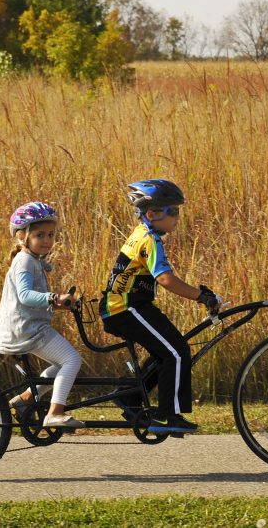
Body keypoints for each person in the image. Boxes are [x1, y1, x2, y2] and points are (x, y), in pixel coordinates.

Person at [100, 179, 223, 434]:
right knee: (176, 352)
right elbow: (165, 279)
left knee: (167, 352)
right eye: (173, 211)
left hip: (130, 306)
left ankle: (129, 396)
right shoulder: (149, 240)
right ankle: (169, 416)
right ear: (151, 214)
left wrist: (200, 295)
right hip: (124, 308)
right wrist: (201, 296)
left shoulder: (144, 234)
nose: (178, 217)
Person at [0, 201, 85, 428]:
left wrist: (61, 304)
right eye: (39, 235)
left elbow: (30, 300)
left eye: (50, 234)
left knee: (61, 364)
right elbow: (26, 295)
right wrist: (53, 298)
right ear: (22, 237)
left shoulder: (32, 260)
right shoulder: (25, 261)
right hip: (27, 329)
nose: (46, 240)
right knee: (72, 360)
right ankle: (55, 413)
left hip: (27, 326)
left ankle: (26, 398)